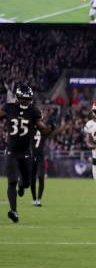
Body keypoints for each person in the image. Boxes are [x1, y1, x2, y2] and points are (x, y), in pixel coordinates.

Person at [0, 85, 59, 223]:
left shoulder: (34, 111)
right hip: (11, 151)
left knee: (26, 183)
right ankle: (14, 211)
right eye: (24, 99)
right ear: (18, 98)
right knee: (12, 181)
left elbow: (42, 130)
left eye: (28, 99)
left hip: (26, 152)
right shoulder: (9, 108)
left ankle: (22, 186)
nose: (26, 102)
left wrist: (51, 129)